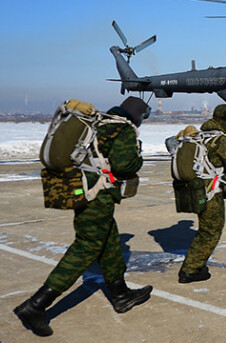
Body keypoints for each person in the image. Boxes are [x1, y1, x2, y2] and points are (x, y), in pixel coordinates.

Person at [14, 96, 152, 337]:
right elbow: (124, 165)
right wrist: (138, 156)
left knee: (109, 241)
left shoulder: (101, 123)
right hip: (97, 195)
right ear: (137, 116)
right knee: (86, 247)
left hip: (83, 189)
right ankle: (36, 305)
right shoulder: (123, 129)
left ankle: (120, 295)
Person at [175, 104, 226, 283]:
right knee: (210, 231)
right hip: (210, 193)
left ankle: (193, 265)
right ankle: (191, 270)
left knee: (206, 229)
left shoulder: (200, 136)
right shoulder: (221, 141)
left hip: (195, 190)